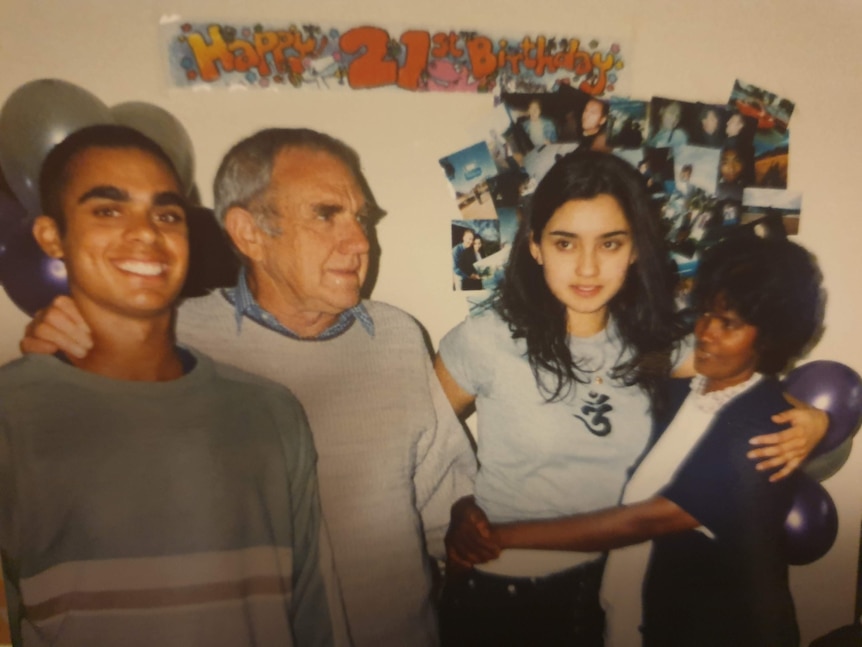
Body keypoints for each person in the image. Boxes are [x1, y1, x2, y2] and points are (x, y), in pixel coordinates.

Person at [21, 128, 477, 647]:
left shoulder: (397, 337)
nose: (359, 242)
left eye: (361, 218)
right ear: (248, 233)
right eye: (326, 214)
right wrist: (55, 375)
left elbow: (448, 501)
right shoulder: (166, 342)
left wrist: (473, 525)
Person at [434, 150, 825, 646]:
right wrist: (458, 505)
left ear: (636, 248)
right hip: (501, 597)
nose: (588, 266)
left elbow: (749, 381)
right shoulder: (485, 339)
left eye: (611, 243)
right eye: (565, 243)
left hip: (602, 604)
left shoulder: (656, 344)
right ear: (534, 245)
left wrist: (814, 419)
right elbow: (420, 450)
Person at [1, 125, 345, 646]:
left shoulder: (270, 413)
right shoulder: (12, 416)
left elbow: (313, 617)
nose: (146, 233)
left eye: (167, 214)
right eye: (108, 210)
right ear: (52, 236)